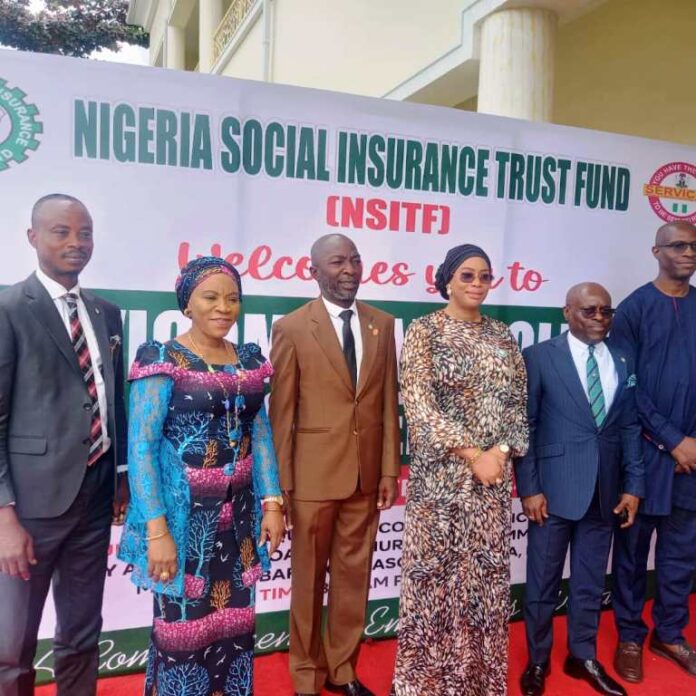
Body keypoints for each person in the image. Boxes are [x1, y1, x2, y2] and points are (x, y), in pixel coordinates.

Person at [118, 256, 284, 696]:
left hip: (240, 524)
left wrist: (273, 503)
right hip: (182, 523)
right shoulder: (161, 358)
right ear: (186, 304)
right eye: (210, 297)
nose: (223, 307)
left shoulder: (248, 359)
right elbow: (141, 448)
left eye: (232, 299)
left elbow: (261, 435)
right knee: (182, 632)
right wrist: (157, 530)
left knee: (235, 628)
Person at [0, 193, 128, 696]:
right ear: (33, 237)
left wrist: (117, 477)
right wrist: (4, 515)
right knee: (13, 643)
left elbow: (110, 399)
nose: (76, 243)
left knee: (81, 632)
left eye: (85, 233)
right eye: (62, 232)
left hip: (94, 498)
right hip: (29, 510)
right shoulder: (9, 309)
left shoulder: (105, 313)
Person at [391, 244, 528, 696]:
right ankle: (425, 683)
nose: (476, 284)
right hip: (441, 483)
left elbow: (517, 404)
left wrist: (502, 450)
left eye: (484, 276)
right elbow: (418, 404)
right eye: (466, 275)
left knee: (485, 584)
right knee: (434, 582)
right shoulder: (425, 331)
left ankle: (478, 683)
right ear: (446, 279)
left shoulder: (504, 336)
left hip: (491, 485)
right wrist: (474, 454)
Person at [269, 233, 400, 696]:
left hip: (365, 478)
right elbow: (281, 413)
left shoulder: (382, 324)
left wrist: (388, 471)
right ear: (314, 271)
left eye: (355, 260)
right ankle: (305, 674)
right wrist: (282, 486)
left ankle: (342, 670)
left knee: (353, 579)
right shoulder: (292, 327)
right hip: (311, 479)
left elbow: (387, 404)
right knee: (306, 582)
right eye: (337, 261)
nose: (349, 269)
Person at [515, 282, 644, 696]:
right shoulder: (539, 357)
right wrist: (529, 489)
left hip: (605, 492)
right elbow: (527, 426)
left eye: (606, 311)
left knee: (589, 582)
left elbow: (628, 427)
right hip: (551, 492)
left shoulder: (623, 358)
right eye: (590, 311)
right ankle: (538, 661)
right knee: (542, 584)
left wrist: (633, 485)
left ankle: (581, 655)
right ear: (567, 312)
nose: (600, 319)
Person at [611, 222, 696, 683]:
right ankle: (628, 634)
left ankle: (670, 633)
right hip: (645, 454)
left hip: (692, 460)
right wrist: (672, 439)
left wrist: (692, 444)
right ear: (656, 251)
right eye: (679, 245)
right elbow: (626, 387)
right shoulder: (634, 310)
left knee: (681, 553)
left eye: (694, 246)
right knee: (631, 552)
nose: (688, 253)